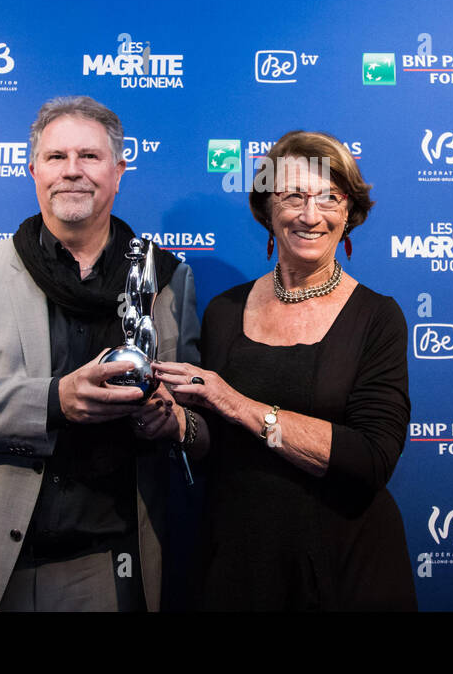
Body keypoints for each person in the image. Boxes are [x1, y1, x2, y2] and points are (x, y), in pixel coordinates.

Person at [0, 96, 200, 611]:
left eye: (90, 156)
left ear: (119, 171)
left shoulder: (166, 278)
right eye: (56, 157)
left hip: (105, 566)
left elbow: (197, 415)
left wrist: (171, 421)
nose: (72, 172)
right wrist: (55, 401)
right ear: (33, 169)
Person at [155, 131, 416, 610]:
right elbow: (213, 441)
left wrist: (238, 404)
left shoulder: (378, 318)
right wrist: (173, 423)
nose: (310, 215)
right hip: (238, 565)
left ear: (349, 214)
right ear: (267, 210)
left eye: (329, 198)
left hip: (346, 570)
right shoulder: (224, 310)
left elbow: (370, 459)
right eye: (293, 195)